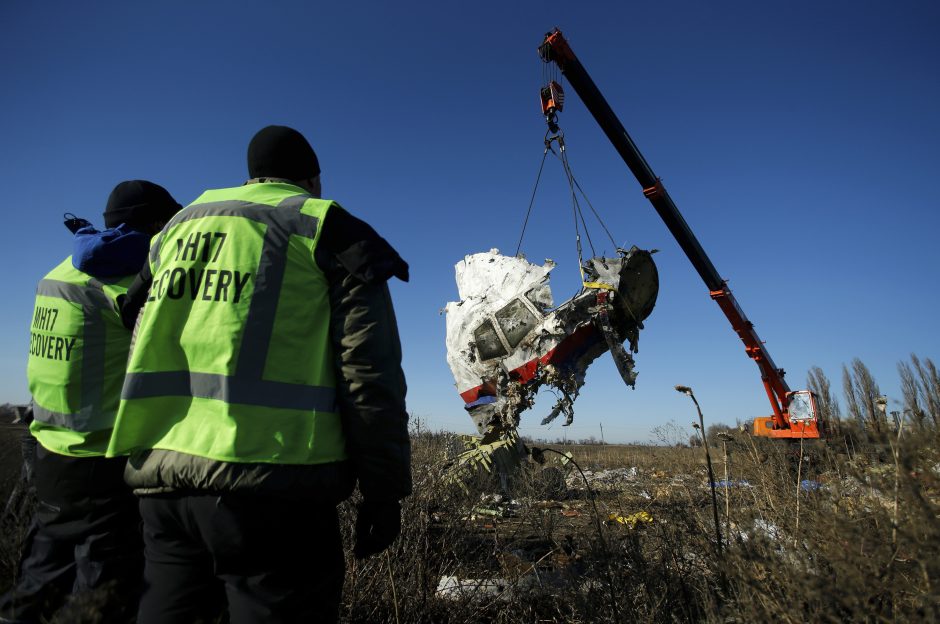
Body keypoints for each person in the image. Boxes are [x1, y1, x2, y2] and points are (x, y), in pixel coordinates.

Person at [107, 125, 412, 624]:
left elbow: (130, 315)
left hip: (163, 487)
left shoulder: (178, 228)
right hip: (273, 490)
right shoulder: (325, 227)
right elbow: (367, 372)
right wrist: (383, 490)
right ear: (312, 179)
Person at [1, 181, 182, 623]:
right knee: (100, 598)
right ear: (156, 225)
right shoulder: (132, 282)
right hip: (103, 460)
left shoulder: (60, 272)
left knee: (39, 582)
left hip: (48, 455)